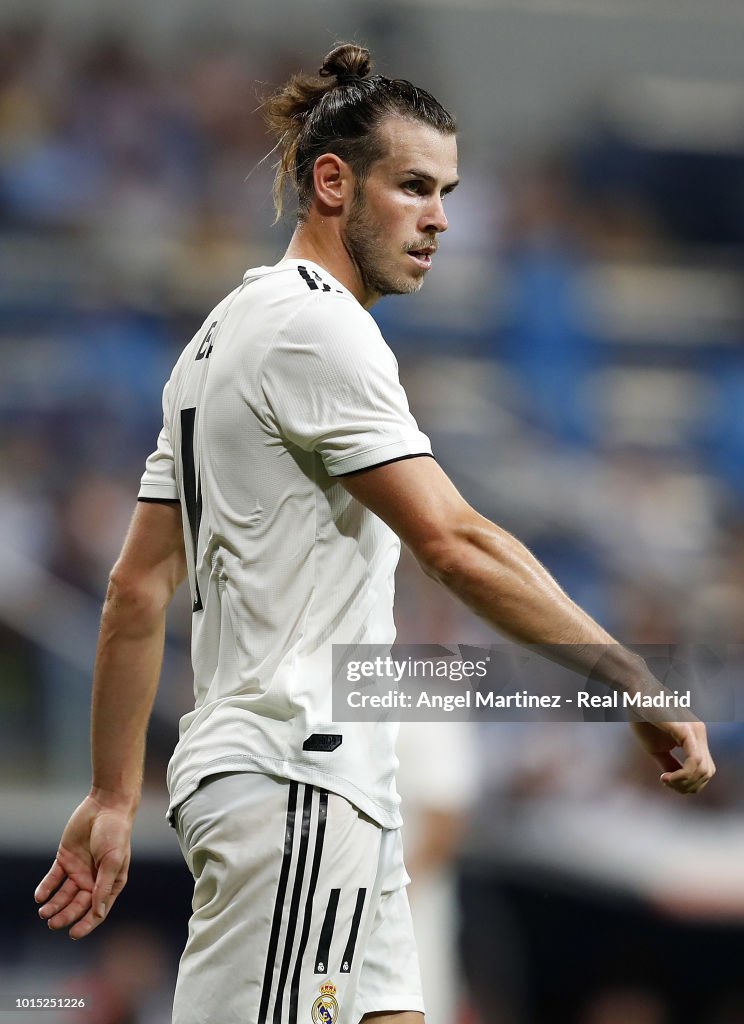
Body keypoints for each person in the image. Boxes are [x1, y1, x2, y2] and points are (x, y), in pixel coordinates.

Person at [34, 42, 715, 1024]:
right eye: (412, 187)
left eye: (446, 191)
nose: (439, 217)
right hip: (296, 777)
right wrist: (632, 679)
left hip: (332, 793)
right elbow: (455, 540)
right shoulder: (322, 330)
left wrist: (110, 794)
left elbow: (137, 590)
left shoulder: (218, 340)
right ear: (331, 182)